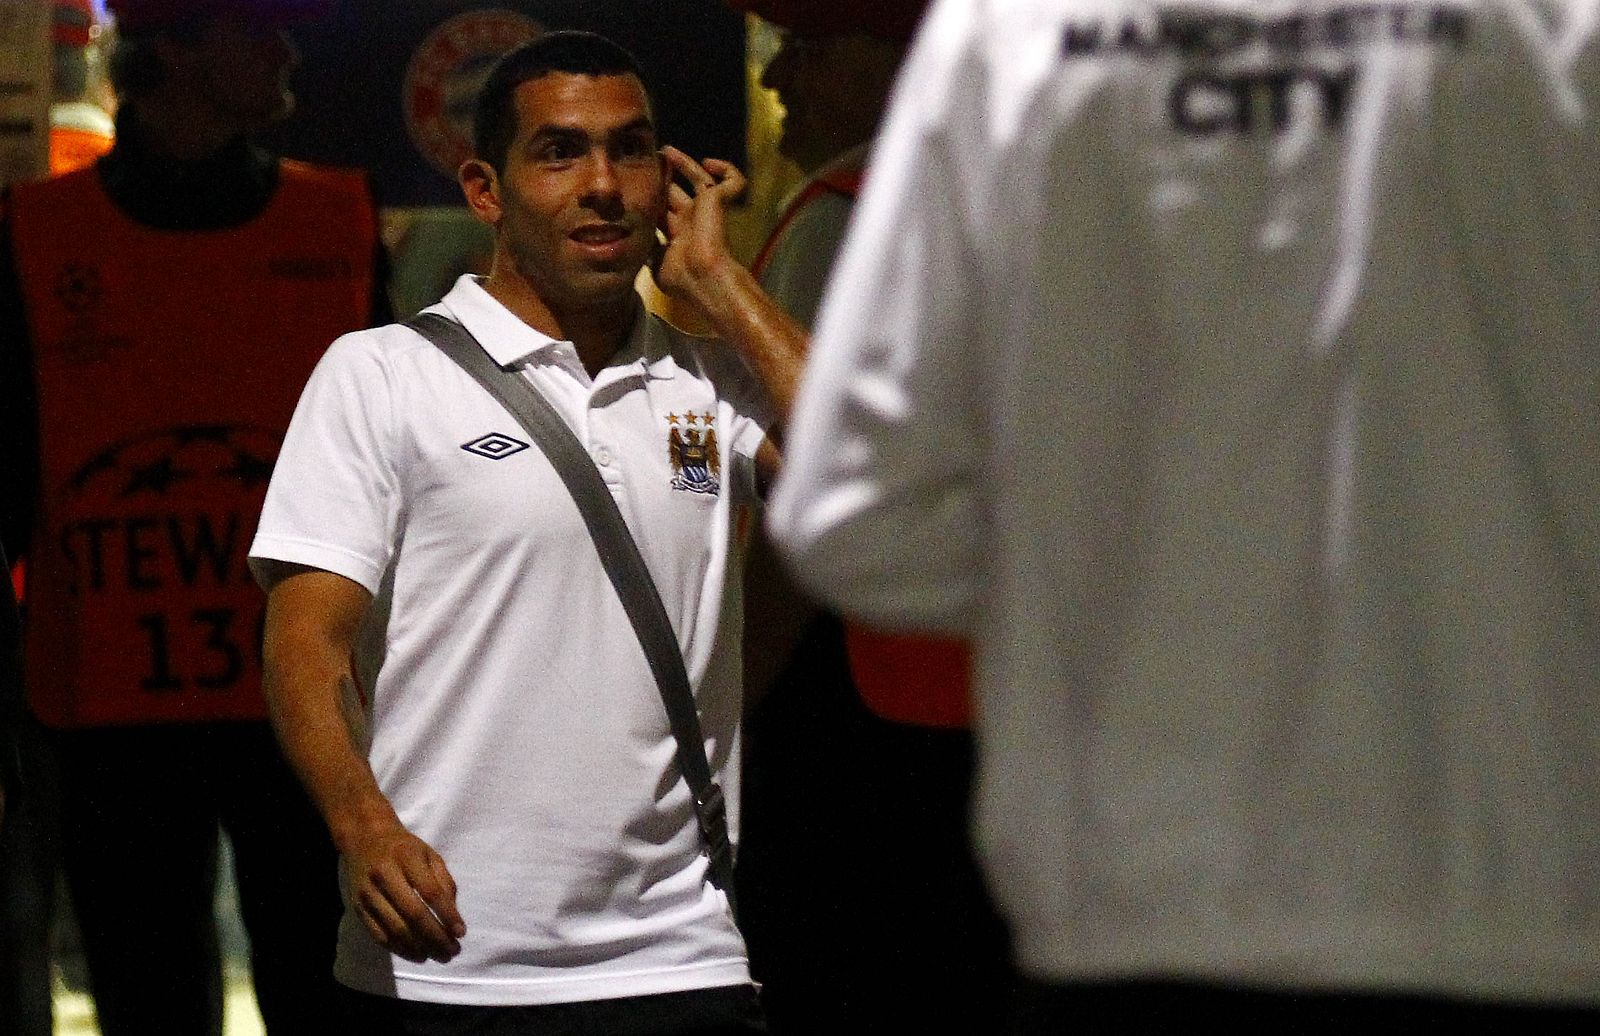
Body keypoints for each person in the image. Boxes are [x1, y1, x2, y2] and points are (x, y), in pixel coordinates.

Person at [768, 0, 1600, 1028]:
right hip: (1519, 875)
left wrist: (1129, 594)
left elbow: (855, 516)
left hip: (1141, 882)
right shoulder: (1560, 26)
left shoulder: (1005, 35)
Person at [250, 31, 808, 1033]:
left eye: (630, 150)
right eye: (559, 152)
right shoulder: (379, 375)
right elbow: (306, 641)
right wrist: (360, 822)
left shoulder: (711, 381)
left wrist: (724, 286)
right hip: (448, 959)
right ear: (485, 188)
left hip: (682, 956)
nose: (602, 183)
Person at [0, 0, 386, 1031]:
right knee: (147, 992)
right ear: (172, 49)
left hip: (302, 694)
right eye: (255, 29)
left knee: (328, 987)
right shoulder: (37, 235)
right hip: (106, 706)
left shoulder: (339, 220)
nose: (287, 49)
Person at [721, 3, 1012, 1032]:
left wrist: (732, 697)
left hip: (863, 693)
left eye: (809, 46)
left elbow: (815, 495)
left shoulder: (854, 208)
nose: (777, 78)